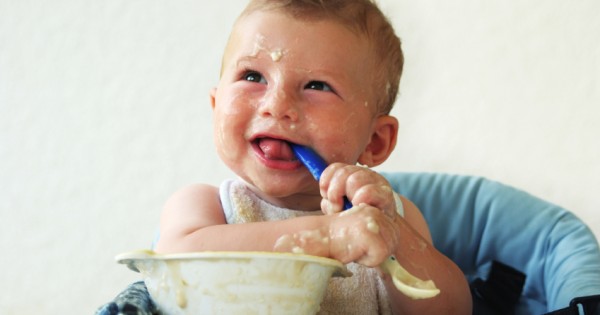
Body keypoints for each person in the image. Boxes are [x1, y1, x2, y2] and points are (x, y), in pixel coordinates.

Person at [99, 0, 472, 314]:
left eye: (317, 86)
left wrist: (393, 236)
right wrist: (327, 235)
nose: (277, 106)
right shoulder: (207, 207)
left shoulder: (385, 217)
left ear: (375, 141)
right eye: (252, 76)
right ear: (216, 107)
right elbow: (181, 258)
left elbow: (454, 309)